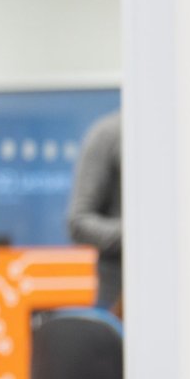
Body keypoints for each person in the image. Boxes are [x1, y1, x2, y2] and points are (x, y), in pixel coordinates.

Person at [67, 110, 122, 309]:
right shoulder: (110, 134)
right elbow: (79, 221)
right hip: (118, 296)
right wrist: (140, 234)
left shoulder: (186, 135)